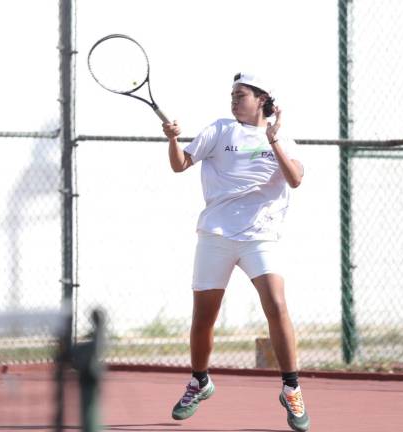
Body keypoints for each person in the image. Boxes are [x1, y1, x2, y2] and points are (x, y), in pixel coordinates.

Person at [162, 72, 310, 432]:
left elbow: (296, 179)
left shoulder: (281, 138)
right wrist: (173, 139)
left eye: (240, 94)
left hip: (261, 236)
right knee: (203, 318)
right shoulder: (220, 130)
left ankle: (291, 387)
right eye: (231, 94)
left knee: (276, 305)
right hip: (216, 234)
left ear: (261, 99)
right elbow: (180, 164)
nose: (233, 99)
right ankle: (200, 381)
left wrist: (273, 142)